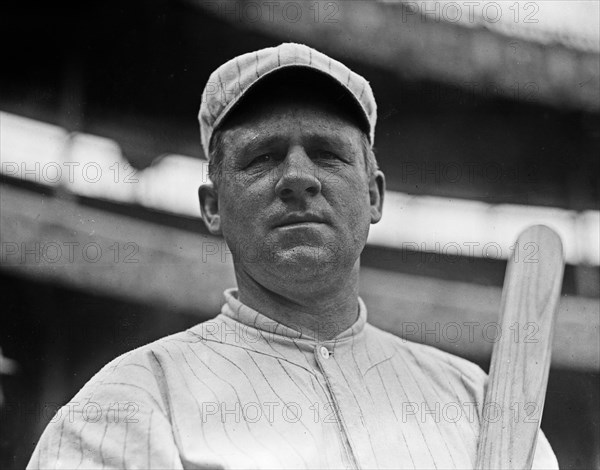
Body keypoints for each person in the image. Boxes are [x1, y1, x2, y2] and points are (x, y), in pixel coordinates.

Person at [28, 42, 559, 469]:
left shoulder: (481, 402)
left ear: (373, 196)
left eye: (328, 154)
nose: (299, 178)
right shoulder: (131, 401)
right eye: (263, 157)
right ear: (213, 207)